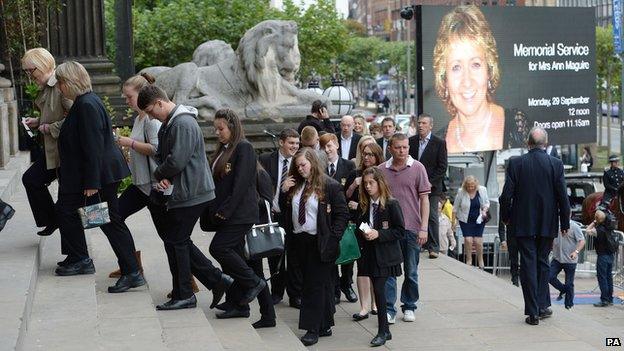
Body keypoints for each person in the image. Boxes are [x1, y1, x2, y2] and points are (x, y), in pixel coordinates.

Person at [137, 85, 232, 310]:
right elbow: (165, 155)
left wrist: (160, 174)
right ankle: (214, 281)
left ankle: (189, 292)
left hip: (193, 193)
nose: (151, 116)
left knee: (176, 241)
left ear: (160, 102)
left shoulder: (182, 123)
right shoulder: (172, 122)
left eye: (151, 111)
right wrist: (165, 175)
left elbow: (176, 161)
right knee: (177, 240)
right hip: (186, 190)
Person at [53, 61, 144, 294]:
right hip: (96, 176)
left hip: (99, 178)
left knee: (110, 222)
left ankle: (131, 271)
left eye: (61, 82)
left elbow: (93, 147)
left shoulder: (86, 105)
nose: (59, 87)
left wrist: (92, 183)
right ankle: (87, 260)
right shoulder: (85, 102)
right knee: (99, 219)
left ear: (70, 82)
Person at [499, 127, 570, 325]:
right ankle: (541, 305)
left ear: (528, 144)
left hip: (522, 223)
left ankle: (533, 312)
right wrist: (565, 222)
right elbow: (562, 197)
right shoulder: (555, 164)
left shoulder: (515, 163)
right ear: (545, 144)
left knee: (528, 264)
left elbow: (506, 196)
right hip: (547, 222)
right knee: (543, 262)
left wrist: (506, 217)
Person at [279, 148, 349, 346]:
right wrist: (283, 191)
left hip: (321, 241)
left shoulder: (330, 186)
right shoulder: (295, 185)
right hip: (299, 241)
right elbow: (285, 213)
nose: (300, 169)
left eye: (304, 165)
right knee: (321, 284)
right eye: (297, 165)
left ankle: (312, 328)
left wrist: (333, 238)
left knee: (313, 286)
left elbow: (342, 215)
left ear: (313, 163)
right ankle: (325, 323)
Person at [208, 109, 266, 318]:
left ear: (232, 126)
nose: (217, 132)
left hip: (240, 214)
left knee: (218, 248)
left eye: (221, 128)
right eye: (216, 128)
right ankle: (238, 303)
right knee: (233, 257)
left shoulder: (244, 148)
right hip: (227, 213)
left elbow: (241, 185)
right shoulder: (224, 149)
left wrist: (226, 210)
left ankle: (253, 282)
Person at [106, 73, 160, 280]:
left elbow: (156, 149)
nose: (127, 101)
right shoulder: (140, 118)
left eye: (129, 97)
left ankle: (197, 278)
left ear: (141, 94)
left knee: (172, 236)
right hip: (141, 183)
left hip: (153, 185)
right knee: (113, 217)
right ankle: (130, 263)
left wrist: (128, 142)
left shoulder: (151, 120)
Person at [433, 5, 505, 153]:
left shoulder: (518, 126)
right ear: (444, 79)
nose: (467, 81)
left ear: (489, 70)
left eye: (475, 64)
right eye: (456, 67)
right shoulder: (438, 141)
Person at [379, 133, 430, 324]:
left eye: (405, 147)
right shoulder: (381, 169)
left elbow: (424, 199)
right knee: (390, 271)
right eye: (398, 147)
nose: (402, 151)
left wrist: (424, 228)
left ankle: (409, 306)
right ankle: (389, 309)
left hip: (412, 228)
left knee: (411, 271)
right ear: (390, 148)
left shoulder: (418, 168)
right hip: (389, 230)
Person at [21, 48, 73, 237]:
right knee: (31, 179)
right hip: (53, 151)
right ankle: (52, 220)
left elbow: (77, 115)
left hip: (63, 153)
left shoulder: (60, 85)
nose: (29, 75)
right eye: (26, 71)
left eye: (30, 70)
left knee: (34, 180)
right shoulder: (47, 86)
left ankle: (54, 221)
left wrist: (50, 128)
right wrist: (38, 123)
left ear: (43, 65)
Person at [355, 167, 404, 347]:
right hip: (369, 254)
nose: (368, 187)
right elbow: (360, 222)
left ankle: (383, 330)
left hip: (385, 255)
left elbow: (400, 231)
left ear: (379, 183)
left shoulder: (391, 204)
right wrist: (365, 231)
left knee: (379, 290)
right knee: (377, 289)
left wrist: (379, 234)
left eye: (371, 183)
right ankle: (385, 330)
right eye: (365, 183)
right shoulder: (365, 204)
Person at [258, 128, 300, 306]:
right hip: (271, 215)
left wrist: (286, 191)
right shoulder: (266, 160)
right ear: (281, 142)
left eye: (297, 144)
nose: (295, 147)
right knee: (274, 255)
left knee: (294, 256)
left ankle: (295, 294)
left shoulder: (300, 163)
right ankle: (276, 292)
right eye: (291, 143)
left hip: (292, 217)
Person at [346, 142, 384, 320]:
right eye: (365, 154)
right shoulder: (355, 174)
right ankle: (364, 307)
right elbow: (345, 196)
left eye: (371, 154)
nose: (367, 157)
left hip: (379, 225)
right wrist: (354, 185)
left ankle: (376, 303)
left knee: (377, 267)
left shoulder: (382, 173)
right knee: (362, 266)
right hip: (360, 224)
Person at [319, 133, 357, 304]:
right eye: (324, 147)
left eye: (329, 146)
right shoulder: (320, 167)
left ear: (336, 145)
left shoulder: (348, 165)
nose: (327, 150)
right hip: (326, 216)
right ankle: (334, 288)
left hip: (344, 214)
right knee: (331, 253)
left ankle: (347, 284)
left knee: (347, 252)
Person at [408, 113, 448, 258]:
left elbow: (442, 167)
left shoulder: (439, 143)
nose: (421, 126)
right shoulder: (411, 141)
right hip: (413, 185)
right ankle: (420, 244)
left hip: (432, 186)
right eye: (419, 123)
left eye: (424, 123)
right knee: (415, 213)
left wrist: (428, 183)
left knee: (431, 215)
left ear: (431, 126)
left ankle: (434, 247)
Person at [247, 163, 277, 328]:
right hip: (244, 227)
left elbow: (267, 201)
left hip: (255, 230)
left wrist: (247, 197)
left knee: (256, 273)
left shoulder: (260, 174)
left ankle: (268, 314)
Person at [453, 176, 490, 269]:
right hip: (465, 220)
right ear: (465, 185)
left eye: (472, 186)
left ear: (476, 184)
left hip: (478, 219)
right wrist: (453, 222)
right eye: (468, 186)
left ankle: (480, 260)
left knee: (478, 240)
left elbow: (486, 203)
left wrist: (485, 210)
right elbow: (455, 208)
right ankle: (469, 260)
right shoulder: (461, 192)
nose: (470, 188)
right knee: (468, 240)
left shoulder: (482, 190)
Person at [549, 217, 585, 310]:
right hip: (557, 258)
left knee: (569, 283)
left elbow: (582, 240)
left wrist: (576, 252)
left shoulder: (574, 226)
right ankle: (563, 290)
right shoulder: (555, 224)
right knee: (549, 277)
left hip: (570, 259)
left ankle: (569, 304)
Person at [586, 210, 616, 307]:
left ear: (597, 219)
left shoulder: (597, 230)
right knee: (609, 277)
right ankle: (610, 299)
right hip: (610, 255)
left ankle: (604, 300)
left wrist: (594, 222)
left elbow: (587, 230)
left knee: (602, 278)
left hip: (602, 256)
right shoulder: (609, 227)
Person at [498, 221, 520, 286]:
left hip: (525, 235)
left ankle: (526, 278)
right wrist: (503, 239)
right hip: (512, 236)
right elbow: (502, 222)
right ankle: (515, 279)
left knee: (526, 259)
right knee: (513, 260)